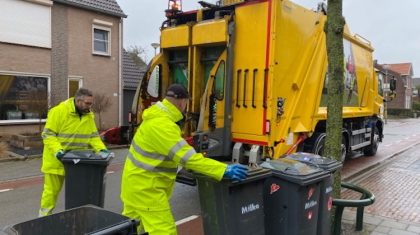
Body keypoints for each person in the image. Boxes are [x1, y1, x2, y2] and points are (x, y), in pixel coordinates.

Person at [120, 84, 248, 235]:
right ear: (182, 102)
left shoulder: (156, 118)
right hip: (147, 189)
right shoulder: (163, 125)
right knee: (164, 231)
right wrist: (223, 169)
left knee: (129, 229)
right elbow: (189, 159)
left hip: (135, 185)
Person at [38, 88, 108, 216]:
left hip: (78, 163)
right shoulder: (59, 111)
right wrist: (58, 151)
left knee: (77, 194)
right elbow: (48, 135)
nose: (90, 106)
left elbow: (93, 136)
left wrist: (101, 149)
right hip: (57, 161)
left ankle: (76, 218)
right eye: (87, 103)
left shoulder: (88, 115)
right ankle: (43, 217)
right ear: (78, 101)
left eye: (90, 103)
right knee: (51, 193)